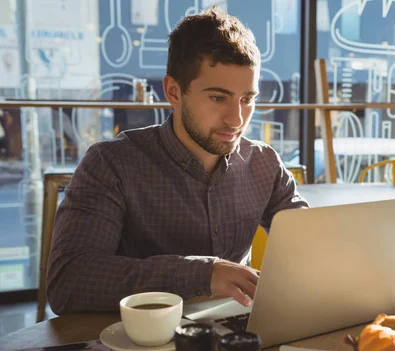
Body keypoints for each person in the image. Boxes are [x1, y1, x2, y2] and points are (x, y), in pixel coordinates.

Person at [46, 7, 309, 314]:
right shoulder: (112, 164)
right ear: (173, 91)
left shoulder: (264, 163)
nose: (237, 119)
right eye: (218, 97)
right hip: (139, 345)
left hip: (233, 341)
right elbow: (69, 282)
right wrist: (203, 274)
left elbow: (309, 243)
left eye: (247, 99)